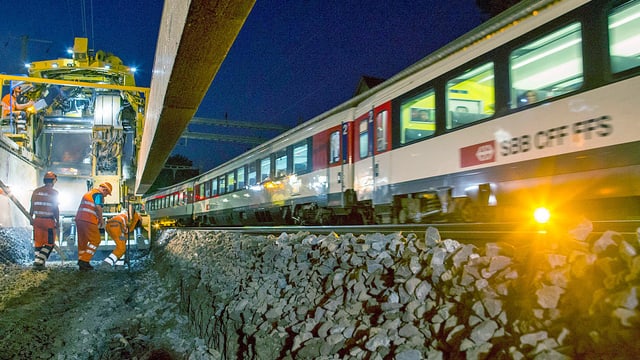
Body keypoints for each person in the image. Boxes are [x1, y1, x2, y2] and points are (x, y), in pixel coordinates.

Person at [75, 182, 112, 271]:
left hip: (79, 219)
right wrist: (101, 220)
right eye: (107, 193)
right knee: (96, 240)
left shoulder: (89, 193)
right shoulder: (98, 195)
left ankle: (82, 263)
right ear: (104, 189)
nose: (106, 196)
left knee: (82, 242)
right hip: (89, 219)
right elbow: (98, 207)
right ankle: (84, 260)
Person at [29, 171, 60, 270]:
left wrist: (31, 217)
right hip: (48, 221)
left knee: (38, 243)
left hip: (37, 220)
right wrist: (58, 220)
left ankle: (39, 262)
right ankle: (39, 262)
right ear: (53, 181)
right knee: (50, 243)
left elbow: (32, 206)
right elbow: (55, 208)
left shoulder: (36, 191)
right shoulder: (54, 193)